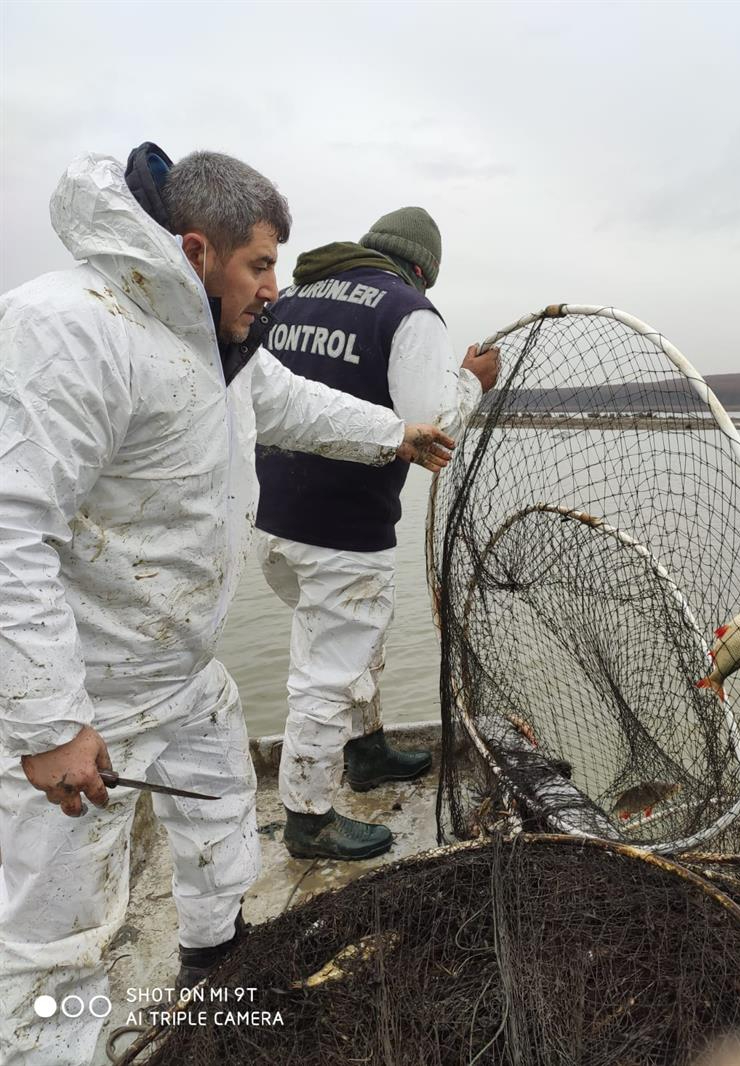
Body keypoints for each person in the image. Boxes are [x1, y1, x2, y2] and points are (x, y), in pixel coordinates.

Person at [0, 143, 453, 1066]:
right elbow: (11, 529)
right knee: (56, 941)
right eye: (260, 264)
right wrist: (49, 722)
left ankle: (214, 970)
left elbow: (298, 407)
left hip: (180, 672)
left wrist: (399, 434)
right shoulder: (70, 328)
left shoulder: (220, 348)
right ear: (198, 251)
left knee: (218, 823)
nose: (273, 286)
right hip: (82, 688)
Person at [255, 207, 499, 861]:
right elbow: (432, 429)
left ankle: (366, 751)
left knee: (349, 641)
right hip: (342, 526)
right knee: (327, 672)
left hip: (269, 520)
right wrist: (471, 383)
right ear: (422, 270)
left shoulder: (298, 296)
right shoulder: (406, 310)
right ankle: (308, 818)